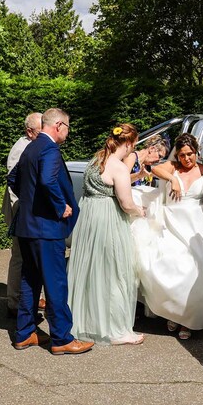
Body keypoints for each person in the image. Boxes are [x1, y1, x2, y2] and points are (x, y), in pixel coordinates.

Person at [8, 108, 93, 355]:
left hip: (27, 227)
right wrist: (59, 206)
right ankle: (62, 338)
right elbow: (46, 180)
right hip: (47, 229)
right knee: (55, 283)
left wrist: (30, 201)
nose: (68, 132)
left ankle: (25, 334)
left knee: (29, 281)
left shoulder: (30, 147)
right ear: (58, 125)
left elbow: (13, 179)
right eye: (67, 127)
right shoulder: (49, 149)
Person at [136, 133, 203, 340]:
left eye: (190, 154)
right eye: (182, 155)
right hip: (172, 223)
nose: (186, 159)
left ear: (196, 152)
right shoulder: (172, 167)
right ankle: (174, 313)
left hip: (197, 224)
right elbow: (155, 169)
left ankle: (189, 320)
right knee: (172, 267)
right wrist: (173, 178)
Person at [67, 123, 147, 345]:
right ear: (129, 144)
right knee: (116, 272)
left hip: (89, 218)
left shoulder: (97, 159)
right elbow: (125, 202)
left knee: (92, 271)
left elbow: (107, 183)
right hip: (108, 221)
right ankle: (117, 331)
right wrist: (140, 212)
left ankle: (87, 322)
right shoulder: (119, 167)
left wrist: (135, 176)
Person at [1, 112, 42, 317]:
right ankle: (14, 303)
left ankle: (26, 298)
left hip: (25, 212)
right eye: (40, 130)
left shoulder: (32, 145)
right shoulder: (21, 150)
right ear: (29, 131)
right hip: (21, 212)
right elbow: (15, 185)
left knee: (26, 258)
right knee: (19, 257)